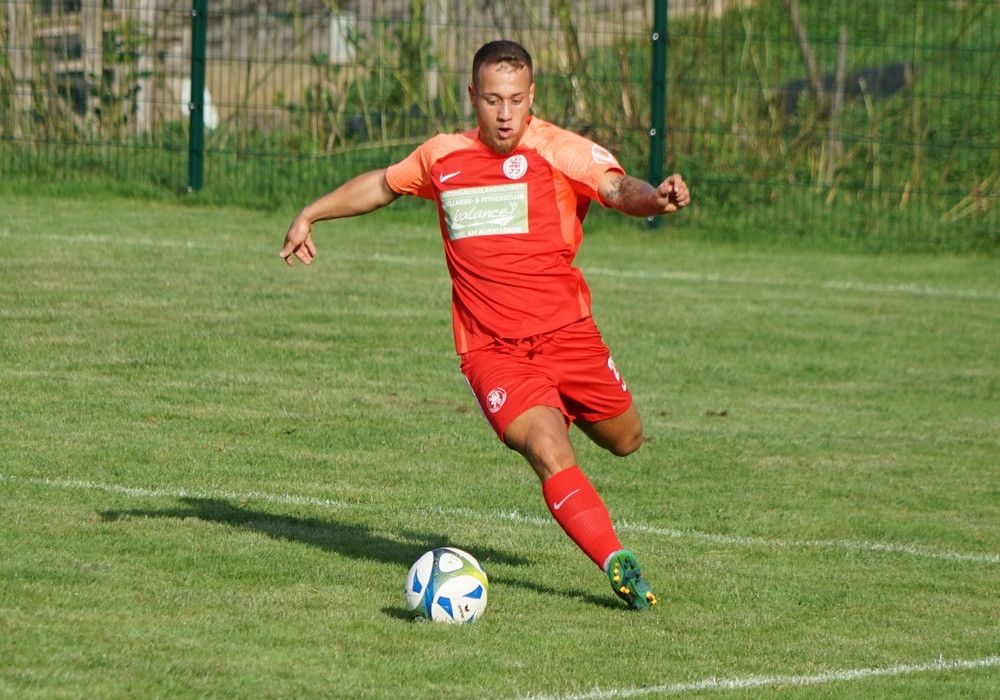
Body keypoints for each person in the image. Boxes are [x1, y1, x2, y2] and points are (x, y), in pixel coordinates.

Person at [280, 40, 690, 610]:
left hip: (569, 336)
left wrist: (655, 199)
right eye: (493, 99)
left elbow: (617, 188)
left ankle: (564, 405)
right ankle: (616, 561)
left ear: (532, 97)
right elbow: (382, 185)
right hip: (492, 351)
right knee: (547, 447)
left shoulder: (558, 149)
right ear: (473, 95)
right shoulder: (442, 157)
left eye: (516, 100)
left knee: (627, 440)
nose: (504, 113)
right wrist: (311, 212)